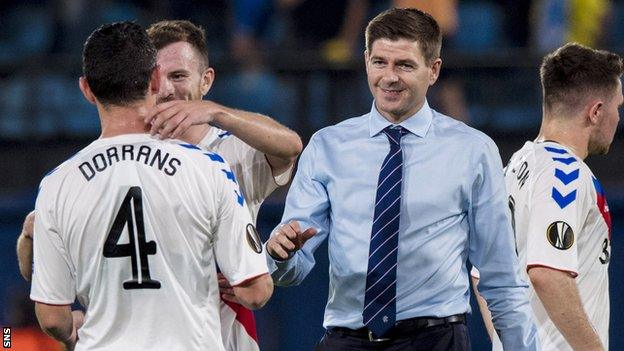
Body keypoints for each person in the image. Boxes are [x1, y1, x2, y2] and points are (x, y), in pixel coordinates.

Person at [18, 19, 302, 351]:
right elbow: (257, 291)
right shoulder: (209, 169)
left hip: (218, 334)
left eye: (179, 76)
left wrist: (216, 114)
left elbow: (291, 145)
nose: (167, 89)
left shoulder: (67, 179)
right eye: (162, 76)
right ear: (150, 79)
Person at [265, 8, 539, 350]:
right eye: (380, 62)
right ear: (366, 61)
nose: (389, 77)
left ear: (434, 70)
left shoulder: (473, 150)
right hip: (345, 340)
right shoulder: (326, 146)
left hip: (436, 340)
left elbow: (500, 277)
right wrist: (279, 253)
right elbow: (292, 270)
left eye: (405, 65)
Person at [472, 43, 622, 350]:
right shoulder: (564, 174)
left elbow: (481, 275)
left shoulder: (514, 167)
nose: (618, 118)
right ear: (595, 111)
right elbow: (547, 274)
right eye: (617, 107)